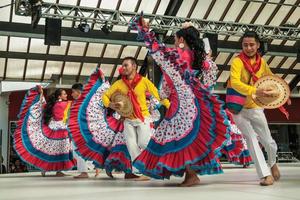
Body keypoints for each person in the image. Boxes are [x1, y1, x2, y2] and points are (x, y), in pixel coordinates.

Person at [128, 16, 236, 187]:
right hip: (196, 102)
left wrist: (146, 32)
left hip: (181, 104)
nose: (174, 41)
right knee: (187, 139)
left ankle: (191, 175)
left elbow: (157, 53)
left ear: (181, 40)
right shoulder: (203, 59)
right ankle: (190, 174)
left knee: (179, 138)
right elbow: (208, 81)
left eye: (175, 38)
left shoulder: (177, 56)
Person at [102, 56, 170, 180]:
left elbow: (157, 94)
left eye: (126, 65)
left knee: (143, 143)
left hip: (143, 117)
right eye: (122, 66)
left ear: (134, 66)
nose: (123, 68)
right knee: (131, 146)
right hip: (128, 120)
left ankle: (157, 163)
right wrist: (110, 104)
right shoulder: (119, 84)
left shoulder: (144, 81)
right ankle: (145, 172)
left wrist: (169, 105)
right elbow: (105, 96)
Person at [226, 31, 280, 186]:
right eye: (245, 45)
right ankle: (265, 175)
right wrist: (255, 90)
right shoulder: (237, 62)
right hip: (238, 108)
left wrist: (280, 91)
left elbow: (270, 78)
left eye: (251, 45)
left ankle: (272, 162)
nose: (248, 48)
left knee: (268, 141)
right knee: (250, 139)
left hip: (256, 107)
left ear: (258, 45)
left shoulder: (262, 62)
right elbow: (235, 83)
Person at [14, 87, 76, 177]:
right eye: (64, 94)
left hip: (53, 128)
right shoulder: (64, 104)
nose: (66, 95)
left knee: (52, 151)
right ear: (59, 96)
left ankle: (46, 169)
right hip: (61, 130)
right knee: (61, 150)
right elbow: (76, 104)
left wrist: (41, 93)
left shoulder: (53, 104)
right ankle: (58, 171)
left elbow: (42, 104)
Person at [70, 83, 91, 179]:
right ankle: (89, 168)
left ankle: (84, 172)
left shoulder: (83, 102)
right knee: (77, 150)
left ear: (78, 92)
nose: (71, 94)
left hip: (82, 130)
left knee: (78, 150)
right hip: (78, 129)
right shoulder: (78, 102)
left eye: (73, 92)